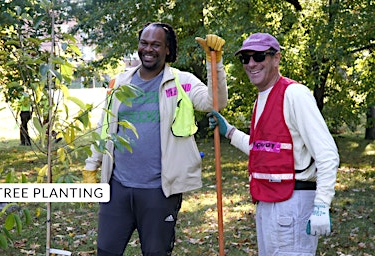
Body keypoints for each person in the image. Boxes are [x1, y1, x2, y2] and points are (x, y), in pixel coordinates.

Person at [82, 22, 228, 255]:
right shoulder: (120, 82)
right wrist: (92, 166)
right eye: (144, 43)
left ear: (167, 49)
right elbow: (105, 127)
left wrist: (215, 64)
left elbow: (214, 102)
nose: (148, 49)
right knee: (106, 250)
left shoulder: (182, 81)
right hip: (117, 186)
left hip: (159, 190)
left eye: (156, 45)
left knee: (156, 253)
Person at [208, 32, 339, 255]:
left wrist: (321, 205)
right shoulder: (261, 97)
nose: (251, 64)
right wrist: (229, 132)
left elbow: (328, 155)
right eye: (245, 58)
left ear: (276, 58)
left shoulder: (295, 94)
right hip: (267, 202)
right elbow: (264, 151)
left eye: (259, 56)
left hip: (292, 202)